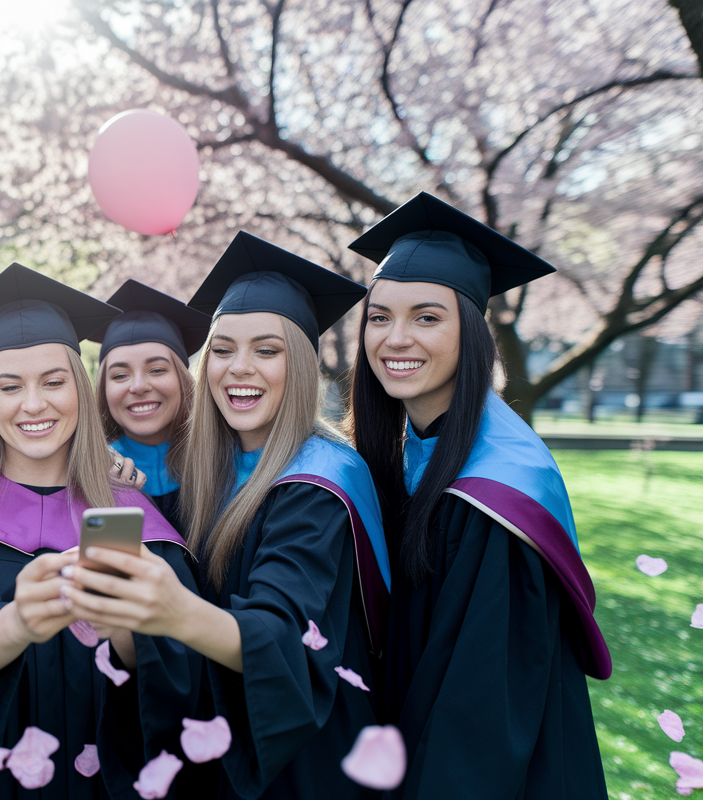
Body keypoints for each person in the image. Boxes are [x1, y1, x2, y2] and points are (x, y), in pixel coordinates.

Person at [64, 232, 391, 800]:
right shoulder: (211, 471)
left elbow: (285, 630)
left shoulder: (320, 481)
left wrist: (171, 608)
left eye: (267, 350)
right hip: (223, 746)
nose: (239, 369)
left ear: (304, 363)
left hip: (303, 758)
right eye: (222, 349)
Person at [0, 264, 200, 799]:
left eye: (54, 382)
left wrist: (126, 621)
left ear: (80, 389)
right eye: (10, 386)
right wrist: (17, 622)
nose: (33, 404)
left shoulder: (136, 517)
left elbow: (183, 675)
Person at [345, 192, 610, 798]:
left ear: (473, 333)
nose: (395, 338)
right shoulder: (402, 447)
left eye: (427, 317)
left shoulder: (499, 490)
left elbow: (481, 711)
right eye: (379, 317)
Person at [88, 280, 210, 525]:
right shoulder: (88, 473)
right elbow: (107, 562)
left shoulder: (225, 461)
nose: (138, 386)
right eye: (120, 375)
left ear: (183, 380)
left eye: (156, 370)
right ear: (103, 389)